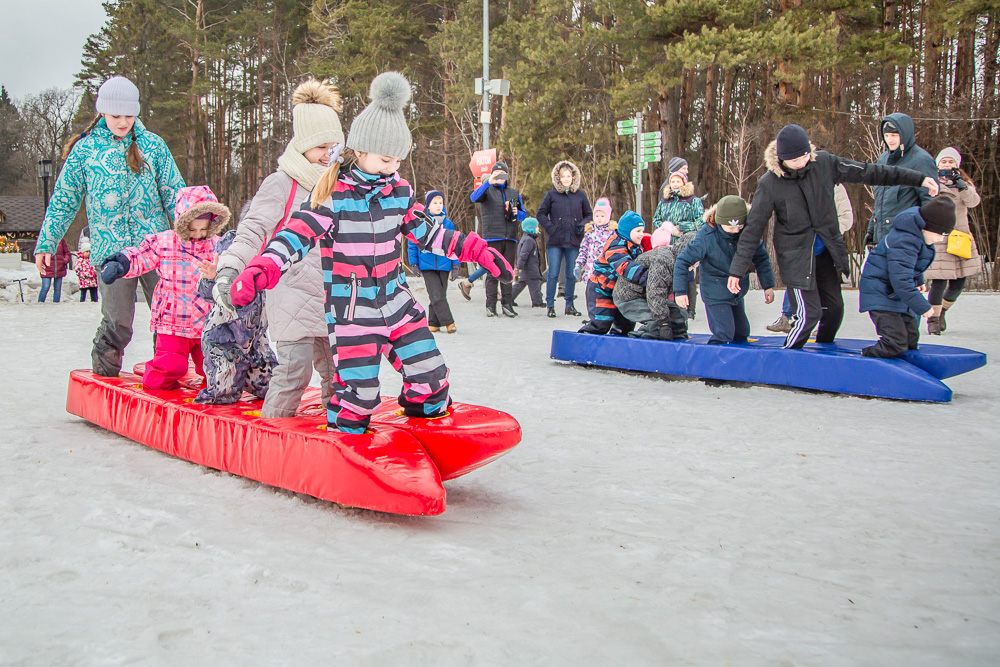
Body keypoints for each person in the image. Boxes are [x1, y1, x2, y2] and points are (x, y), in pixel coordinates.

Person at [229, 72, 513, 434]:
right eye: (384, 160)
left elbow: (432, 234)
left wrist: (476, 249)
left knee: (432, 376)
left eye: (397, 161)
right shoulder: (334, 196)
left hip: (396, 301)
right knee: (358, 395)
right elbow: (294, 236)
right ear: (359, 151)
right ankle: (343, 447)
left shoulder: (398, 192)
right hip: (353, 310)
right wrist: (263, 268)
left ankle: (422, 420)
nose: (391, 169)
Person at [729, 123, 938, 350]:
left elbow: (869, 172)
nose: (802, 163)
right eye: (795, 160)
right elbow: (753, 229)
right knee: (809, 314)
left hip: (826, 252)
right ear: (781, 159)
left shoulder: (825, 164)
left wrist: (917, 179)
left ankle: (823, 353)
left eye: (805, 156)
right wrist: (737, 270)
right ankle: (788, 354)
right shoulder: (769, 184)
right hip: (797, 258)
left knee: (835, 310)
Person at [34, 76, 185, 376]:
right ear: (102, 112)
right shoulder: (85, 151)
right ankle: (105, 379)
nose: (123, 122)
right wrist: (47, 242)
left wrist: (197, 236)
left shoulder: (153, 146)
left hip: (156, 250)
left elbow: (175, 193)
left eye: (129, 115)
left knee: (170, 317)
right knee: (118, 322)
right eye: (116, 116)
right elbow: (65, 199)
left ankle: (167, 374)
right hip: (111, 253)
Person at [213, 78, 342, 418]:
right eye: (320, 148)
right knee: (294, 369)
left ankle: (341, 433)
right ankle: (272, 434)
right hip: (291, 292)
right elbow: (253, 229)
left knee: (339, 375)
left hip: (335, 295)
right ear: (301, 147)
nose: (328, 156)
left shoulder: (345, 186)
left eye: (335, 147)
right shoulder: (282, 183)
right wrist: (231, 267)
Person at [99, 186, 229, 390]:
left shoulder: (217, 247)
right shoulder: (166, 243)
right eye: (192, 230)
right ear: (183, 223)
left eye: (203, 230)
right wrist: (120, 264)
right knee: (171, 366)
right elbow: (141, 256)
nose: (197, 235)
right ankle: (155, 391)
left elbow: (234, 266)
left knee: (214, 366)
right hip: (173, 321)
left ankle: (217, 394)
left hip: (206, 323)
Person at [859, 199, 956, 358]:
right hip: (881, 294)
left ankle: (904, 373)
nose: (941, 240)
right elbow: (901, 280)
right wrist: (922, 306)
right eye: (941, 234)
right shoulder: (904, 240)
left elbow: (909, 265)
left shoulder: (918, 236)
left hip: (894, 294)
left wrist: (918, 281)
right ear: (927, 226)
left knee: (911, 339)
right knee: (895, 342)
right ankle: (865, 359)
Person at [675, 196, 775, 344]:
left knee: (742, 332)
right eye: (730, 227)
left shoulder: (747, 233)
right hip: (715, 291)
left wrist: (768, 285)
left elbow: (761, 259)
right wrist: (680, 292)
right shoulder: (706, 236)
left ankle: (740, 362)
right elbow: (682, 261)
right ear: (720, 221)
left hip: (737, 291)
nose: (735, 231)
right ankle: (714, 359)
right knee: (724, 332)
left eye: (739, 227)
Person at [194, 228, 278, 404]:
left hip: (256, 339)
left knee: (274, 388)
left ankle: (252, 379)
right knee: (223, 394)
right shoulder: (234, 241)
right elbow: (207, 292)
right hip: (226, 338)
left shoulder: (275, 244)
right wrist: (213, 278)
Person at [767, 183, 853, 333]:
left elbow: (846, 216)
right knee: (797, 278)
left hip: (825, 246)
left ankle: (822, 324)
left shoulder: (834, 186)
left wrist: (828, 232)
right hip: (802, 245)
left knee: (826, 290)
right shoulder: (796, 183)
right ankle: (788, 316)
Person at [923, 147, 981, 335]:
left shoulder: (964, 184)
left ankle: (942, 312)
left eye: (951, 162)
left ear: (957, 165)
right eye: (944, 162)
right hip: (939, 237)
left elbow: (974, 202)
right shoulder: (931, 182)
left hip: (960, 239)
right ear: (937, 164)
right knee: (938, 282)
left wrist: (962, 187)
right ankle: (933, 319)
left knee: (958, 283)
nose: (947, 165)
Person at [866, 112, 938, 247]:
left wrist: (923, 237)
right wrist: (872, 231)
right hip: (881, 238)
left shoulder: (921, 160)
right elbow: (880, 202)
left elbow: (930, 203)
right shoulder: (883, 159)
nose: (890, 140)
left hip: (906, 239)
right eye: (886, 136)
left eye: (894, 135)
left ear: (905, 135)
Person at [613, 226, 693, 340]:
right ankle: (642, 335)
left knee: (680, 315)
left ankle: (670, 331)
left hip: (646, 297)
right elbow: (655, 293)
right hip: (629, 297)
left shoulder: (680, 263)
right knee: (659, 321)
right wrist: (664, 323)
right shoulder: (664, 260)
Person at [537, 159, 591, 318]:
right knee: (553, 273)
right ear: (558, 178)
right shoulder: (551, 195)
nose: (566, 178)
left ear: (573, 177)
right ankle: (550, 305)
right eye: (563, 176)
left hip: (573, 239)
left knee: (570, 274)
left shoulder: (580, 195)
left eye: (569, 176)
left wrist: (582, 225)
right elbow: (541, 213)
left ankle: (569, 305)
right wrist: (551, 228)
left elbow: (589, 214)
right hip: (555, 241)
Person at [470, 161, 526, 317]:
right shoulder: (486, 191)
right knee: (491, 270)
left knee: (507, 272)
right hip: (492, 237)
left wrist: (517, 213)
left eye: (503, 174)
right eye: (497, 173)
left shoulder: (514, 193)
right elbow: (474, 198)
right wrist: (489, 182)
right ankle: (490, 304)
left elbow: (523, 214)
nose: (500, 176)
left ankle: (507, 303)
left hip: (510, 237)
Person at [578, 210, 646, 336]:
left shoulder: (635, 246)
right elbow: (625, 267)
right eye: (638, 231)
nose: (641, 234)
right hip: (601, 289)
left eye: (642, 231)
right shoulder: (616, 246)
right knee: (601, 322)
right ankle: (586, 338)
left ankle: (619, 343)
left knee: (626, 323)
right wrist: (646, 276)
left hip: (618, 291)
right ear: (626, 231)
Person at [652, 170, 705, 319]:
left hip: (686, 240)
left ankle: (690, 310)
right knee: (669, 272)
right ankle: (672, 307)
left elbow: (701, 221)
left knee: (687, 272)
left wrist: (681, 228)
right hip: (667, 242)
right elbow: (656, 219)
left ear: (684, 183)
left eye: (678, 181)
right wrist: (666, 226)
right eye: (673, 181)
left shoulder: (692, 200)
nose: (675, 184)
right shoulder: (664, 201)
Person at [408, 190, 461, 333]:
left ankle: (433, 323)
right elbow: (412, 244)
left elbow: (454, 244)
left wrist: (456, 265)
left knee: (438, 296)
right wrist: (414, 263)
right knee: (436, 294)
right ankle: (449, 323)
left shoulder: (448, 223)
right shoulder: (421, 222)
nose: (438, 206)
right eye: (435, 203)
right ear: (428, 206)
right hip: (427, 264)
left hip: (445, 264)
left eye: (440, 203)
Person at [574, 197, 616, 322]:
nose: (599, 218)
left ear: (608, 217)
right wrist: (578, 265)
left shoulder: (612, 233)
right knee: (590, 296)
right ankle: (593, 319)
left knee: (604, 297)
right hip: (591, 271)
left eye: (602, 216)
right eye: (597, 215)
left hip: (606, 273)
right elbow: (583, 250)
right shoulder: (590, 233)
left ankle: (605, 319)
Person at [512, 217, 544, 308]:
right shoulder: (529, 240)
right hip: (530, 268)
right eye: (537, 227)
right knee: (535, 285)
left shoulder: (526, 238)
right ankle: (537, 302)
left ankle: (509, 298)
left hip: (527, 268)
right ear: (531, 228)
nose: (538, 228)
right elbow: (524, 254)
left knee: (520, 285)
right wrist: (519, 267)